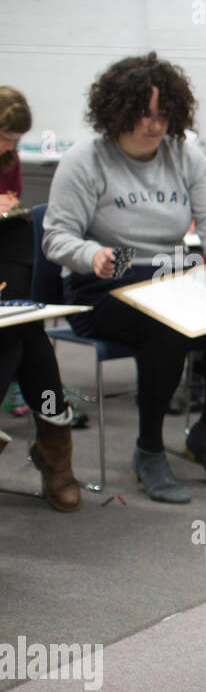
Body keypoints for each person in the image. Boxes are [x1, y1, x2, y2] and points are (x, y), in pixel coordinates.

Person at [42, 52, 206, 504]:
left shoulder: (185, 155)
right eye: (143, 115)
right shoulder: (85, 160)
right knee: (168, 326)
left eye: (164, 115)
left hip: (170, 277)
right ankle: (148, 450)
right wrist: (93, 254)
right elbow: (55, 238)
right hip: (104, 283)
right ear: (117, 112)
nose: (155, 126)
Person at [0, 86, 83, 509]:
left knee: (20, 330)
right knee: (24, 333)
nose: (8, 148)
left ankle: (53, 450)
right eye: (3, 138)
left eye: (14, 140)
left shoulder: (8, 160)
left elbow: (10, 207)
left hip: (4, 277)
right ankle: (55, 454)